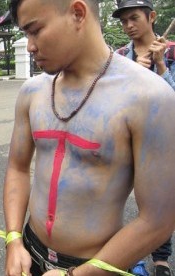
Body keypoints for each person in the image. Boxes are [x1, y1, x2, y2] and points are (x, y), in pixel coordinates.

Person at [4, 0, 175, 276]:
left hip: (98, 265)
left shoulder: (149, 98)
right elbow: (17, 167)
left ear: (77, 13)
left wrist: (78, 275)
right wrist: (13, 240)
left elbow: (158, 220)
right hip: (28, 253)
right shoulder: (32, 92)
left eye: (35, 30)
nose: (30, 46)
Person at [112, 1, 175, 275]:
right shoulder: (120, 57)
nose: (128, 26)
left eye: (134, 18)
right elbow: (113, 101)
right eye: (124, 21)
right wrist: (133, 72)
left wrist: (161, 64)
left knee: (158, 201)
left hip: (162, 140)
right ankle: (123, 252)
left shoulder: (171, 53)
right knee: (118, 195)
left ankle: (161, 258)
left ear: (152, 17)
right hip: (127, 140)